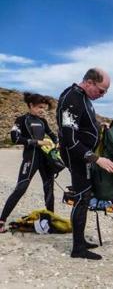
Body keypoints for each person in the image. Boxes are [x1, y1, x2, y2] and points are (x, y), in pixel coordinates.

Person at [57, 68, 113, 260]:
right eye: (101, 90)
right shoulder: (72, 98)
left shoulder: (84, 99)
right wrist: (96, 158)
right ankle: (78, 249)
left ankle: (80, 240)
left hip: (84, 157)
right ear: (89, 82)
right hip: (76, 156)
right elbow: (70, 138)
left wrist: (100, 126)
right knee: (81, 198)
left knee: (85, 197)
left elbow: (84, 125)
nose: (103, 95)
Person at [0, 93, 57, 233]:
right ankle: (1, 221)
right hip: (30, 158)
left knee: (49, 189)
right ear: (31, 105)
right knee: (21, 188)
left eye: (43, 108)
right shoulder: (21, 120)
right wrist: (37, 142)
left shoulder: (43, 121)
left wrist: (56, 143)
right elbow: (15, 138)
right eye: (39, 107)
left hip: (44, 158)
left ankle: (50, 221)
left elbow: (53, 135)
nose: (42, 110)